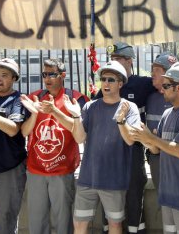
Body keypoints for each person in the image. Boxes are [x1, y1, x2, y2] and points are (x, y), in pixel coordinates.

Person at [130, 62, 179, 234]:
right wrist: (144, 138)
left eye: (166, 85)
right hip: (168, 195)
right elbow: (157, 150)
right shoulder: (168, 114)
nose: (162, 89)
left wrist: (153, 138)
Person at [65, 60, 141, 234]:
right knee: (79, 224)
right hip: (87, 178)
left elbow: (130, 140)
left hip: (114, 180)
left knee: (114, 225)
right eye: (104, 79)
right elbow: (79, 138)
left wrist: (121, 120)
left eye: (111, 80)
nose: (106, 83)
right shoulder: (91, 106)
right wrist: (76, 116)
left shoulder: (130, 108)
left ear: (120, 83)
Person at [20, 58, 89, 234]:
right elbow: (24, 132)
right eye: (45, 74)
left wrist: (54, 111)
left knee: (63, 222)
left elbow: (79, 134)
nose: (47, 78)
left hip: (62, 170)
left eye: (52, 74)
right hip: (35, 169)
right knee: (37, 223)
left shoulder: (76, 99)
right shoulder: (34, 97)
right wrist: (35, 113)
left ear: (63, 75)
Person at [97, 42, 155, 234]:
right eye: (111, 59)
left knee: (134, 198)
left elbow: (164, 83)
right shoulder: (103, 87)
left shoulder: (143, 84)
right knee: (110, 198)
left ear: (129, 61)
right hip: (110, 152)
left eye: (117, 58)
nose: (113, 62)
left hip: (133, 150)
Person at [0, 58, 27, 234]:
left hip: (9, 169)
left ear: (14, 79)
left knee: (7, 221)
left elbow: (12, 130)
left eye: (4, 75)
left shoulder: (18, 100)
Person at [145, 52, 178, 190]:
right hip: (156, 158)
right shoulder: (149, 97)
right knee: (161, 201)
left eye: (157, 70)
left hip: (176, 158)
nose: (152, 74)